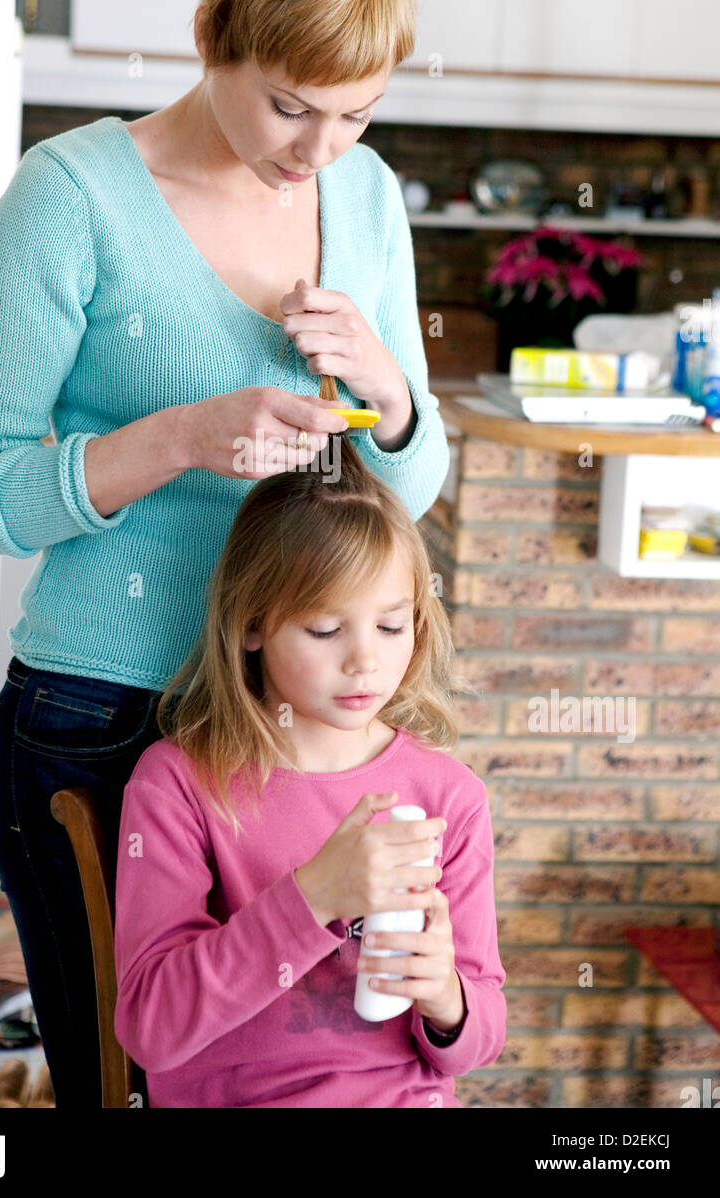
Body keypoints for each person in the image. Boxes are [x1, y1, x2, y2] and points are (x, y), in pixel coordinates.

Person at [0, 0, 451, 1108]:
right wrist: (175, 437)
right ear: (213, 27)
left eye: (355, 114)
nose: (316, 150)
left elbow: (412, 481)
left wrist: (384, 380)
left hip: (296, 730)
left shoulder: (365, 201)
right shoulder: (69, 200)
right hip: (108, 719)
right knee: (131, 1084)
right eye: (286, 105)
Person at [113, 404, 506, 1109]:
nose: (366, 661)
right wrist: (315, 896)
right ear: (253, 623)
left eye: (392, 626)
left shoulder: (449, 796)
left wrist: (445, 993)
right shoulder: (179, 786)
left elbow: (478, 1044)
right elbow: (152, 1029)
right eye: (326, 629)